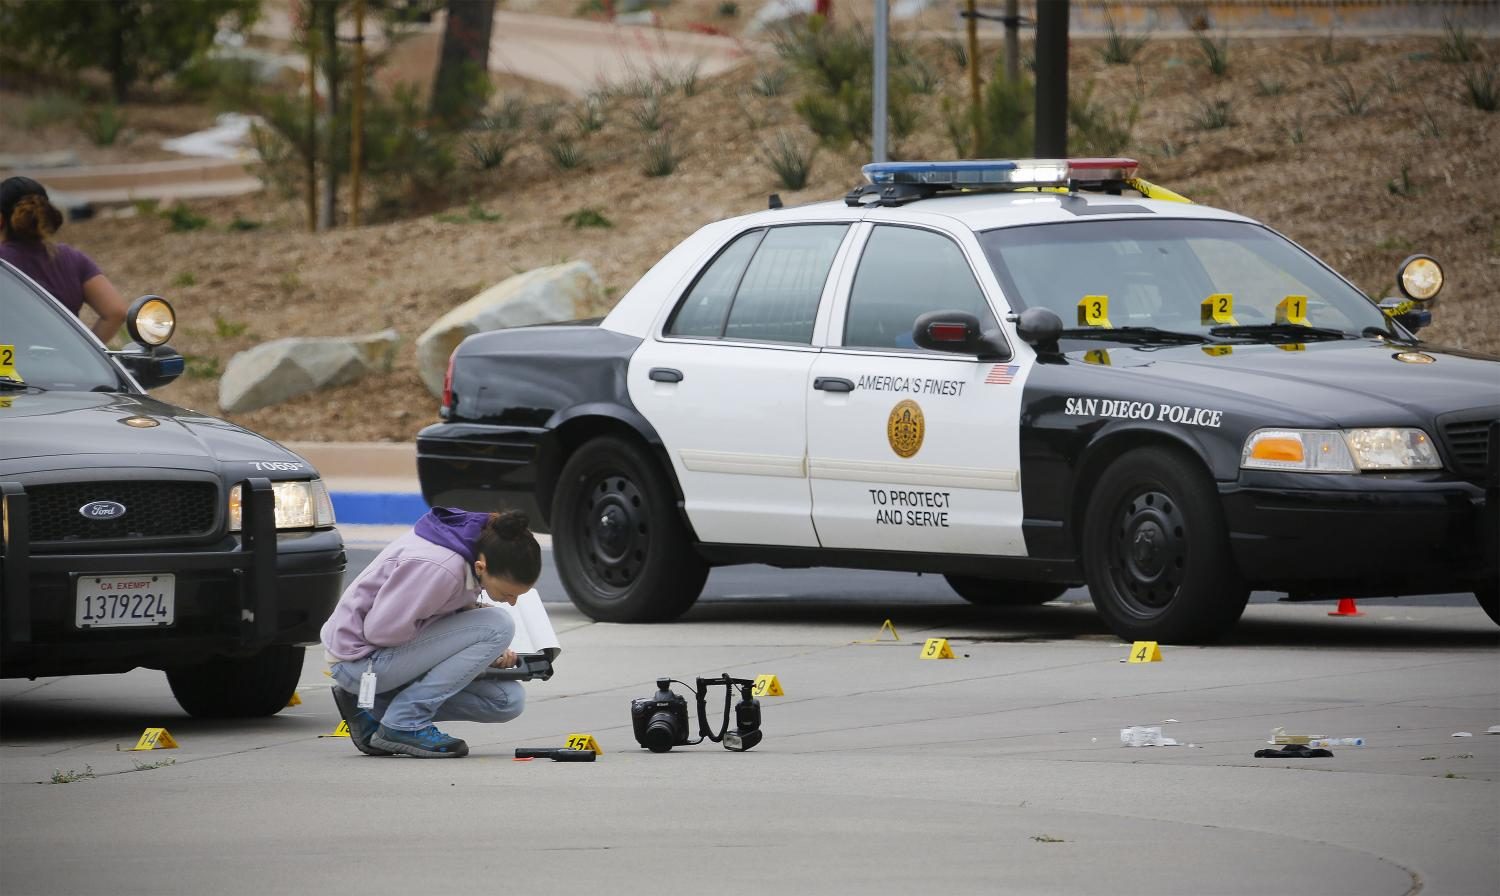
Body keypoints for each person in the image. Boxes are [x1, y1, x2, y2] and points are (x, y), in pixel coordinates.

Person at [321, 508, 542, 758]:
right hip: (359, 662)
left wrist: (475, 649)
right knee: (498, 624)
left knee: (507, 701)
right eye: (508, 593)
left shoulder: (472, 551)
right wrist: (462, 642)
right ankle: (404, 723)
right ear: (481, 567)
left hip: (387, 662)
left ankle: (373, 708)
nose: (512, 602)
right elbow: (380, 632)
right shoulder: (441, 567)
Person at [0, 176, 127, 342]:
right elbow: (115, 312)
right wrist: (86, 353)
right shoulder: (73, 259)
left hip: (9, 364)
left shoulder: (3, 261)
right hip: (63, 365)